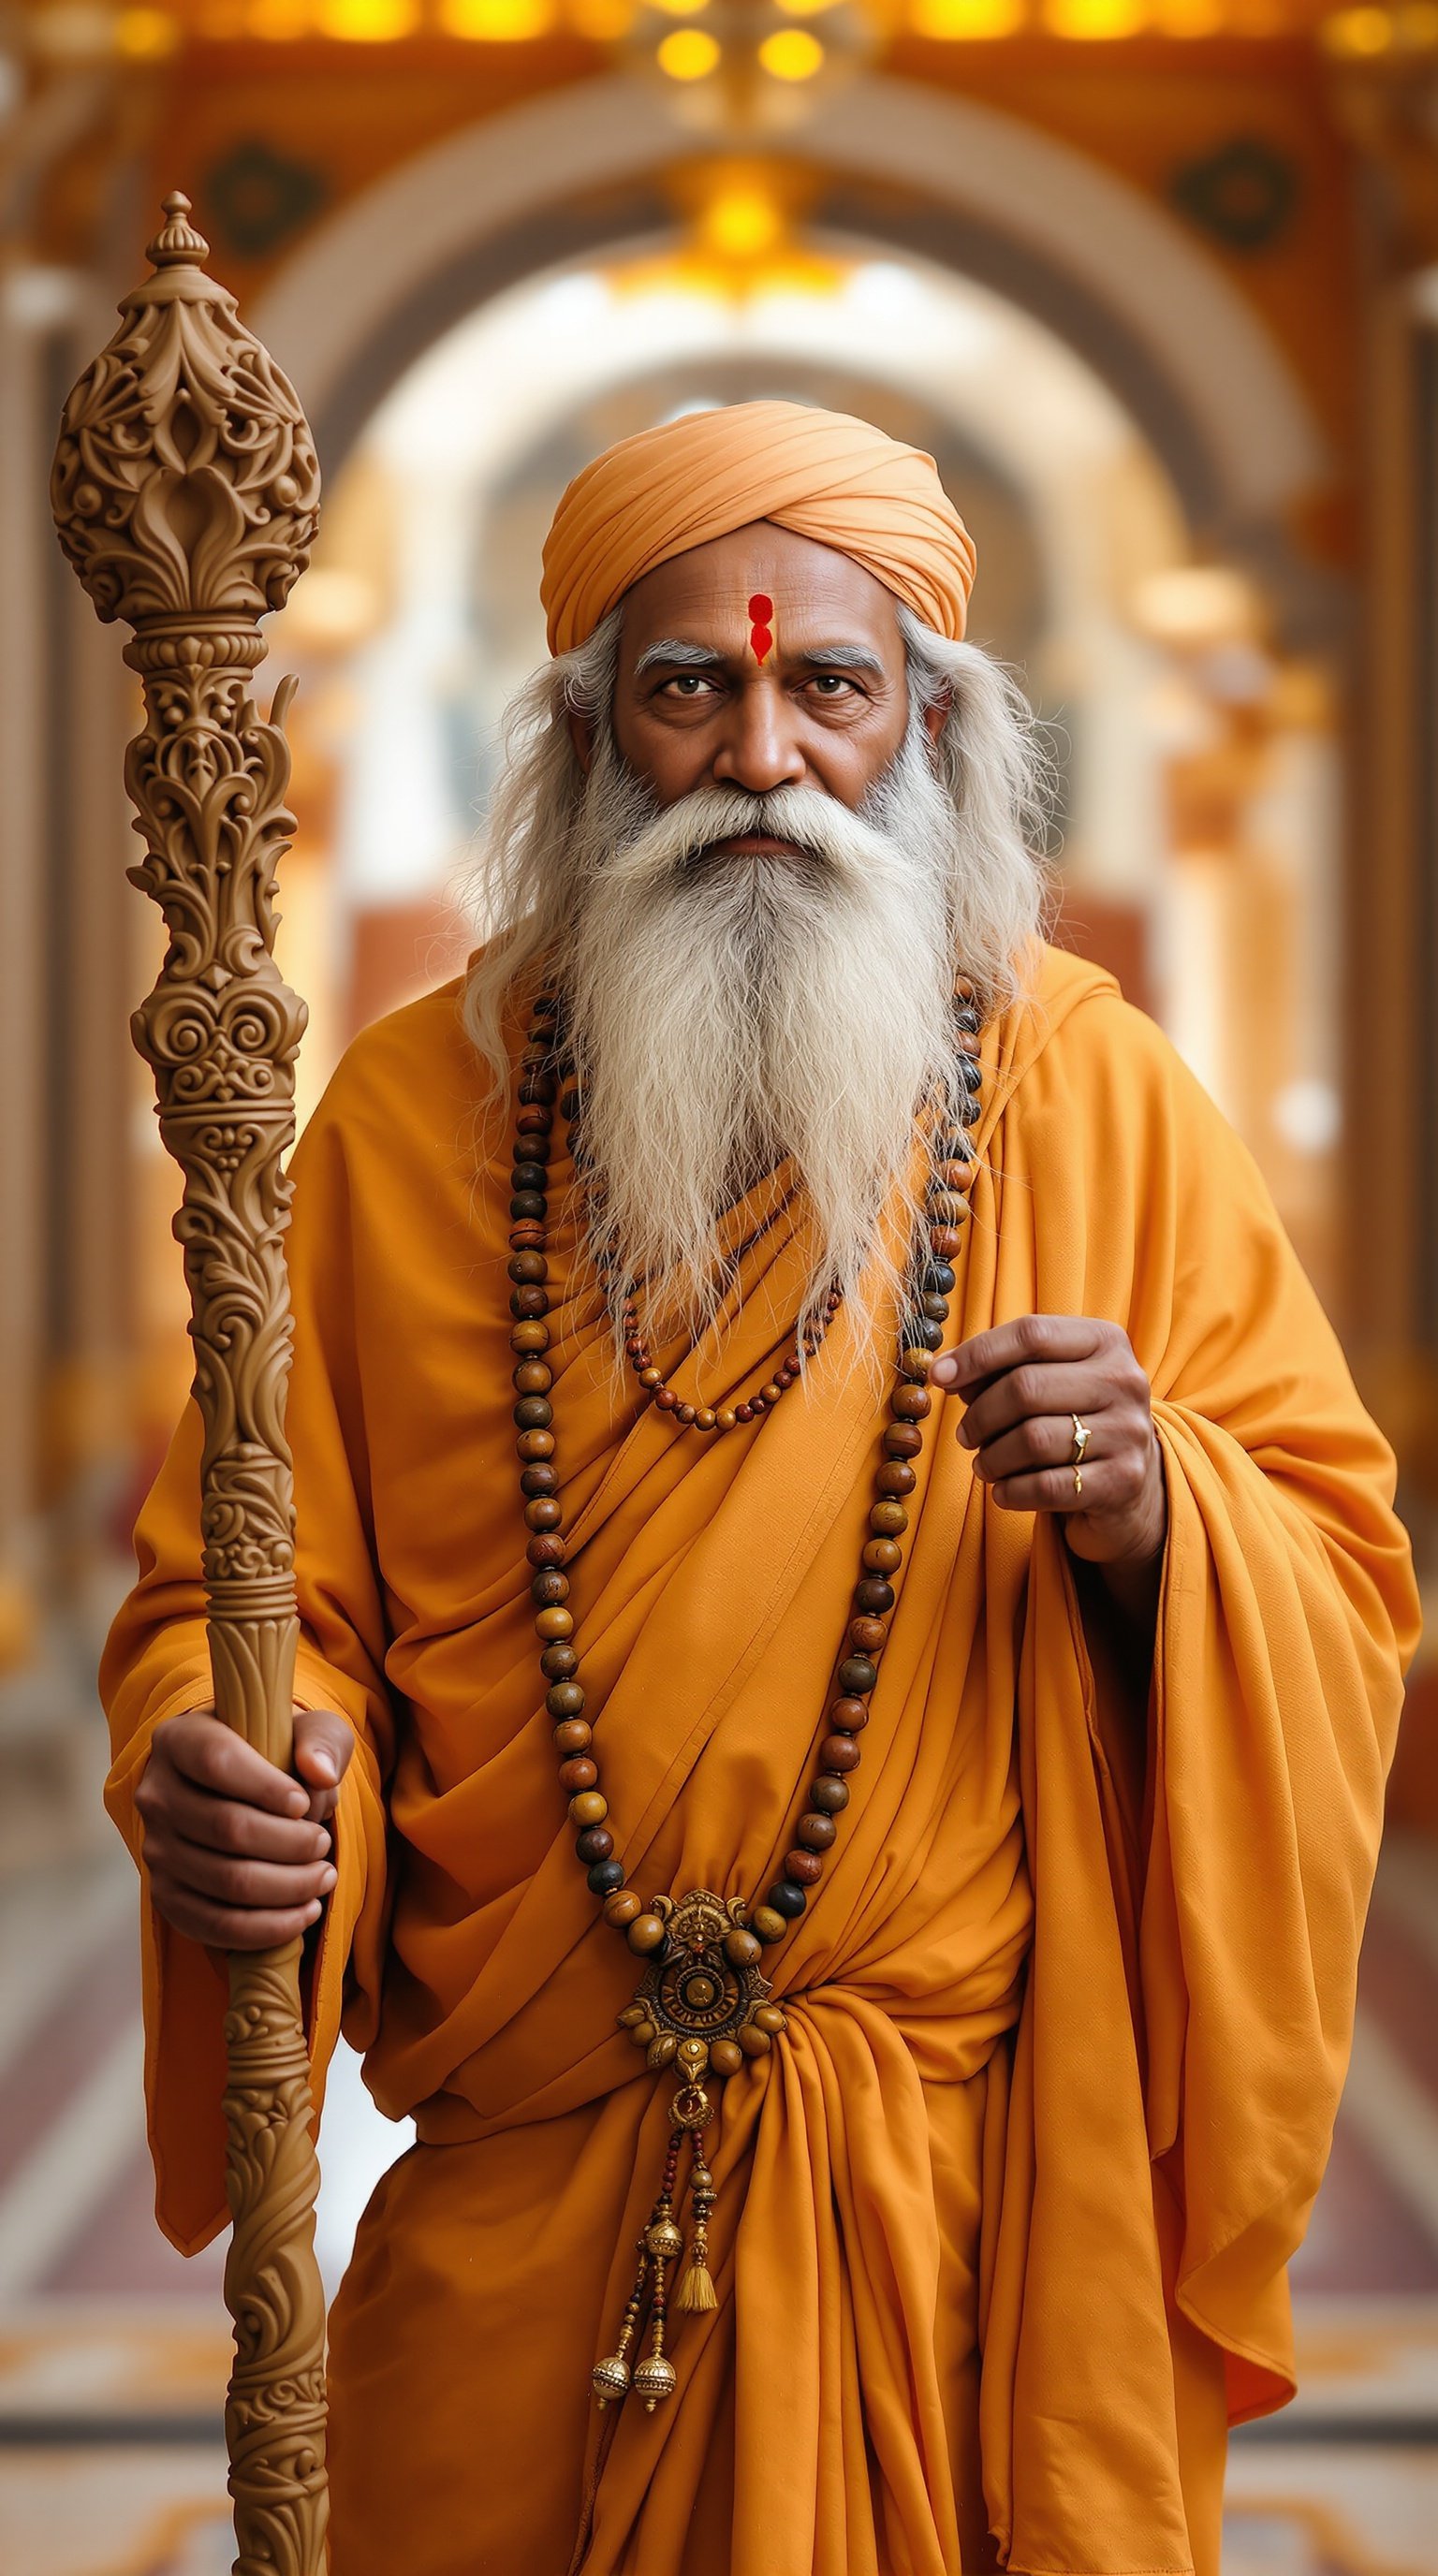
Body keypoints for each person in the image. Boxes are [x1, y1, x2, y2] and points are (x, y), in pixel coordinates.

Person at [102, 401, 1417, 2576]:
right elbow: (243, 1593)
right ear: (589, 734)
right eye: (690, 685)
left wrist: (1161, 1510)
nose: (764, 755)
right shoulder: (408, 1123)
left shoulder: (1093, 1087)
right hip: (525, 2190)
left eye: (830, 684)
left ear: (932, 727)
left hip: (967, 2222)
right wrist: (214, 1751)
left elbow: (1339, 1570)